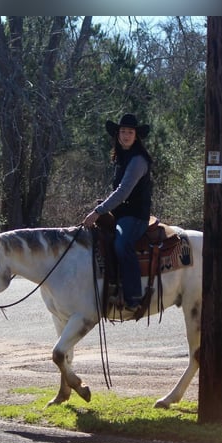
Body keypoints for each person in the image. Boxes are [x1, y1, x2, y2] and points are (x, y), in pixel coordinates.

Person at [83, 113, 153, 311]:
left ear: (136, 135)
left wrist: (98, 210)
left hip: (135, 215)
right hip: (122, 214)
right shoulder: (121, 157)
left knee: (122, 244)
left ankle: (134, 296)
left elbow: (123, 192)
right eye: (123, 131)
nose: (126, 135)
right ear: (117, 134)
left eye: (130, 132)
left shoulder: (138, 160)